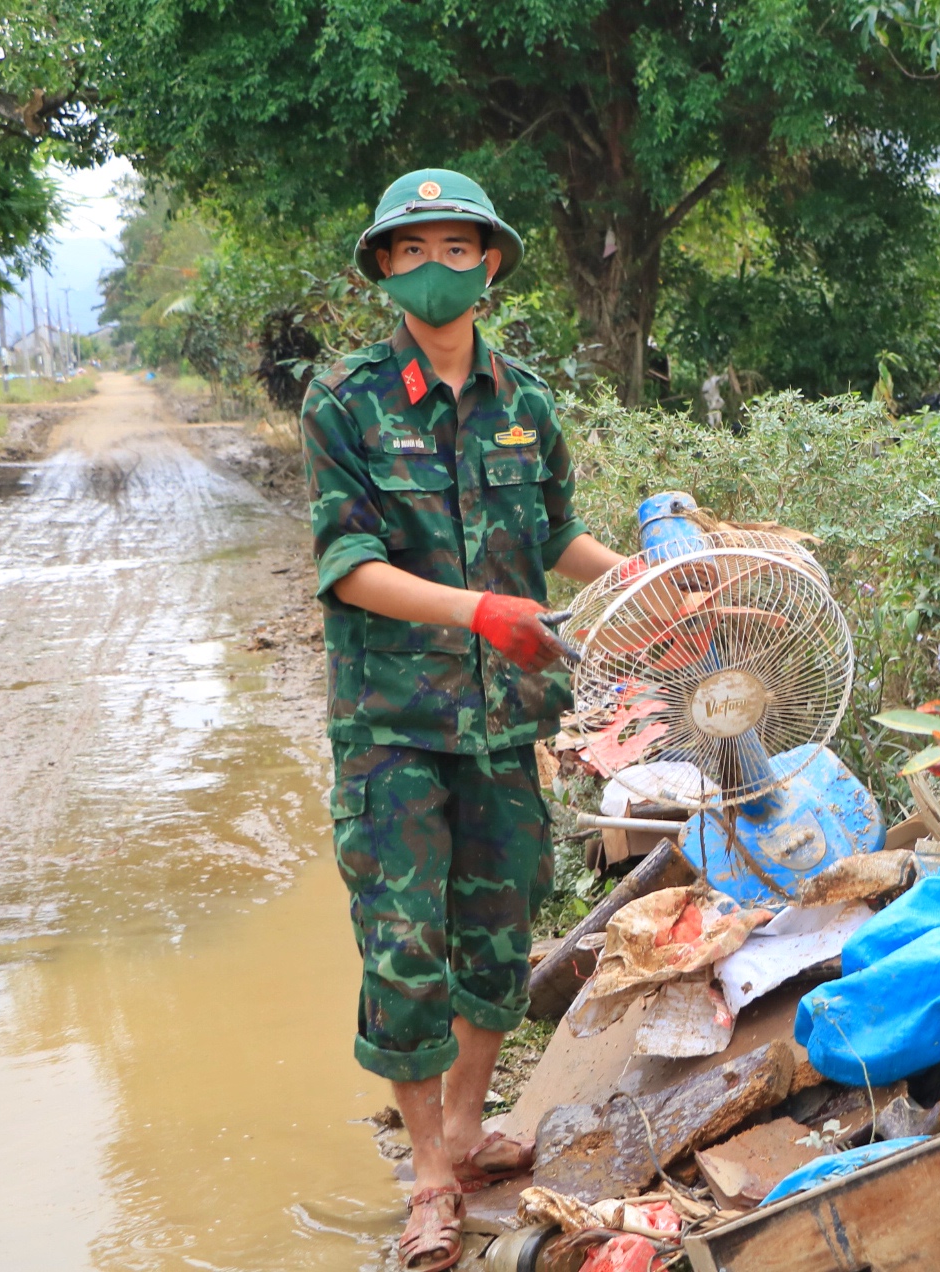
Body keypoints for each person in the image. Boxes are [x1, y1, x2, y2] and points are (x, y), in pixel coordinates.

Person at [301, 168, 628, 1271]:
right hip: (393, 724)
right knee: (404, 949)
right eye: (411, 248)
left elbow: (556, 536)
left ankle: (464, 1129)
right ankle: (427, 1177)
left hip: (504, 725)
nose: (434, 265)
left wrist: (641, 581)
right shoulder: (344, 400)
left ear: (490, 263)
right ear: (385, 269)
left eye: (455, 245)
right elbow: (347, 567)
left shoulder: (525, 400)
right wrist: (479, 611)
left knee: (495, 937)